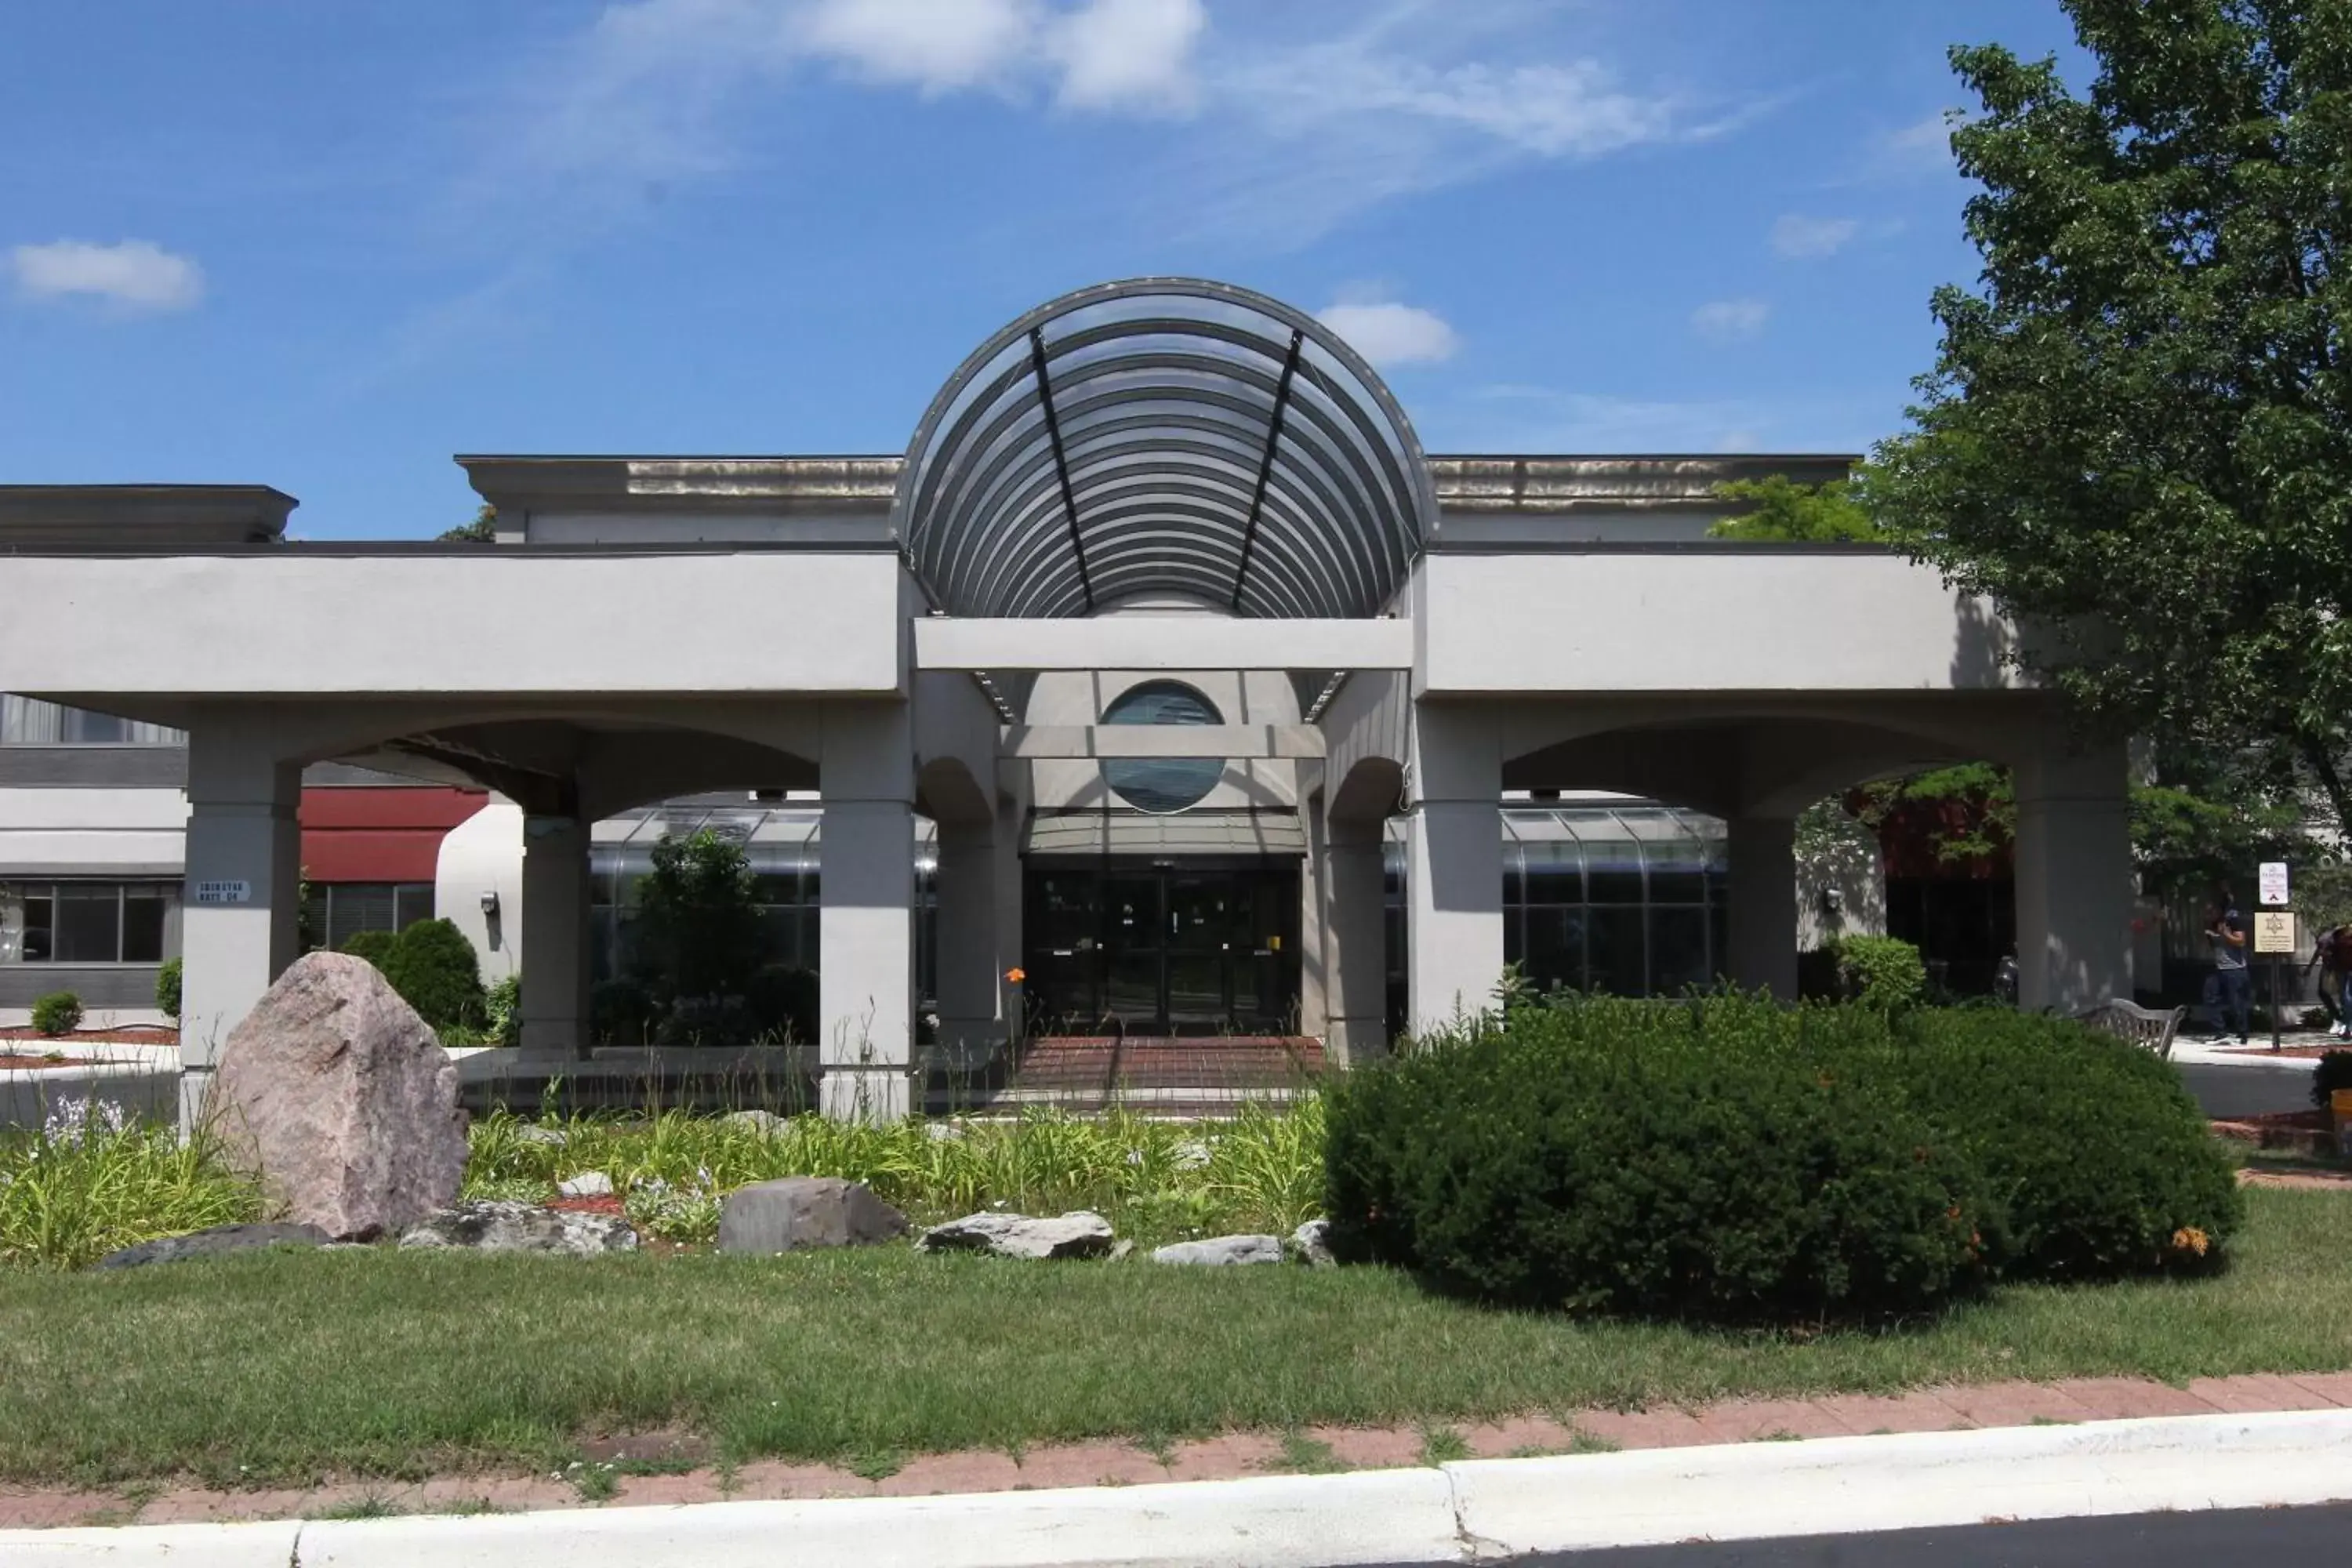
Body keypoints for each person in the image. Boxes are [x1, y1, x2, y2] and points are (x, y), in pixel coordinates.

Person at [2205, 893, 2252, 1044]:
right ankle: (2220, 1032)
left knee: (2236, 1004)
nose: (2209, 913)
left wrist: (2225, 934)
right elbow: (2214, 946)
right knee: (2210, 996)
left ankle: (2243, 1034)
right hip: (2219, 969)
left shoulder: (2232, 922)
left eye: (2211, 910)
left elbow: (2241, 941)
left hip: (2235, 970)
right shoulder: (2212, 925)